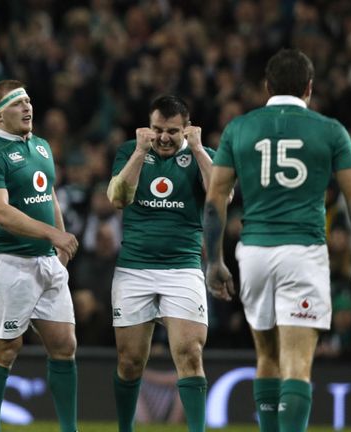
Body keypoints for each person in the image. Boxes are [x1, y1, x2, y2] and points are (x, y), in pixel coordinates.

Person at [203, 48, 351, 432]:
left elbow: (215, 201)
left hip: (253, 252)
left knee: (266, 356)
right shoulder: (330, 130)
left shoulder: (238, 128)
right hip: (302, 251)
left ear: (266, 87)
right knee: (297, 363)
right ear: (309, 88)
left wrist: (213, 260)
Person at [0, 80, 80, 432]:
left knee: (64, 345)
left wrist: (59, 243)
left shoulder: (42, 147)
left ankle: (69, 429)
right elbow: (0, 213)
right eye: (19, 104)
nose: (28, 108)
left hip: (45, 261)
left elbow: (49, 196)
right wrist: (53, 234)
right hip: (5, 262)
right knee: (5, 349)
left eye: (29, 101)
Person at [107, 95, 215, 432]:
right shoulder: (130, 151)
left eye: (172, 131)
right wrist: (140, 153)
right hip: (134, 269)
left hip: (182, 268)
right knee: (129, 362)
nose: (164, 137)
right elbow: (117, 197)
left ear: (187, 128)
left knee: (189, 354)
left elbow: (219, 198)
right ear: (148, 126)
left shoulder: (203, 155)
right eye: (157, 129)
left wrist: (198, 151)